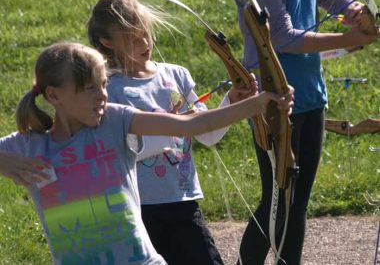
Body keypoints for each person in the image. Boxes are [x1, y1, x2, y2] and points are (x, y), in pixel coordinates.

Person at [0, 41, 294, 265]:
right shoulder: (30, 147)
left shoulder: (114, 121)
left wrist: (258, 103)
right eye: (90, 88)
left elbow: (191, 123)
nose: (103, 94)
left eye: (103, 84)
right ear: (54, 96)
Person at [233, 0, 379, 264]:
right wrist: (349, 37)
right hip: (273, 102)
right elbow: (282, 38)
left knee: (297, 205)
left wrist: (359, 13)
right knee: (277, 200)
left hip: (310, 98)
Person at [87, 0, 260, 265]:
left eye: (146, 31)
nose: (144, 41)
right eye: (132, 38)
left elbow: (208, 134)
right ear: (107, 42)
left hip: (183, 202)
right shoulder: (109, 88)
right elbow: (117, 151)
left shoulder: (176, 75)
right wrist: (177, 126)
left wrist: (232, 101)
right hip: (136, 211)